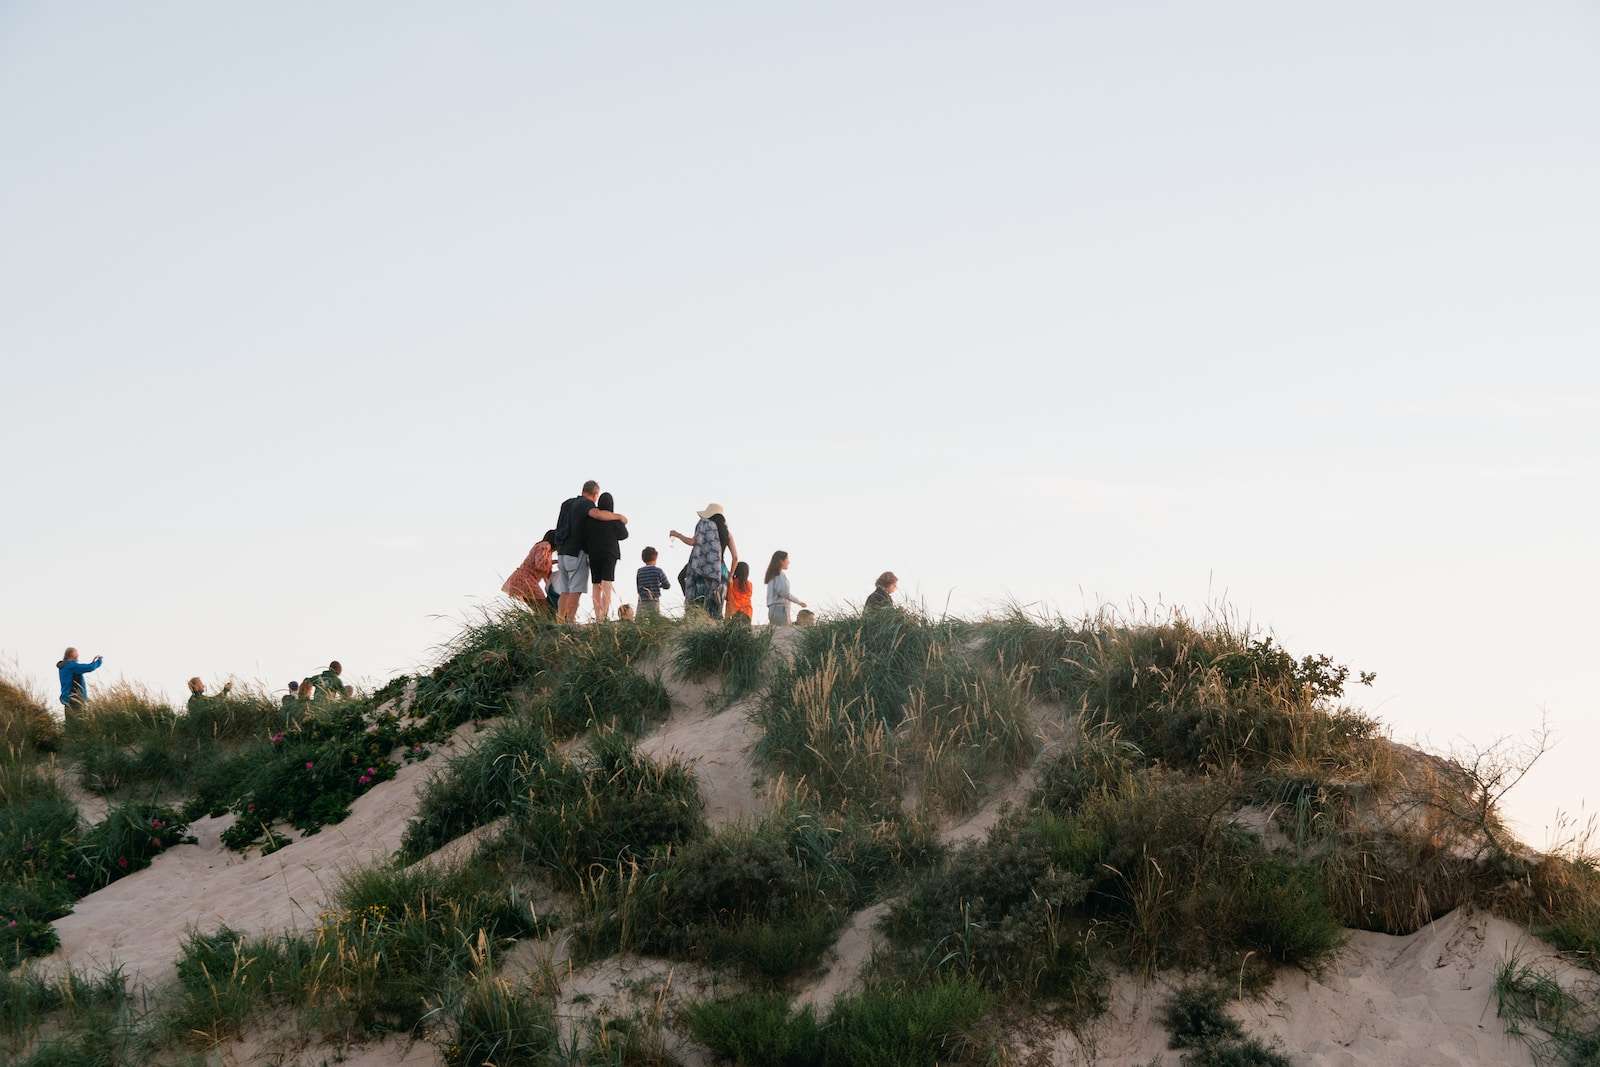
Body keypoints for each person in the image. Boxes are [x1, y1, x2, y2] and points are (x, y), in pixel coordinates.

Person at [552, 481, 628, 623]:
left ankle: (560, 619)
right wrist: (619, 517)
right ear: (595, 494)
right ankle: (571, 621)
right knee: (576, 589)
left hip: (562, 552)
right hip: (576, 553)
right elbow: (598, 515)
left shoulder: (567, 503)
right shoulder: (586, 505)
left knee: (565, 590)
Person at [671, 503, 732, 619]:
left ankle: (693, 612)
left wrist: (677, 535)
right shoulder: (726, 533)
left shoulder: (705, 526)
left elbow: (693, 542)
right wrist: (730, 576)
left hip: (703, 568)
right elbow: (735, 557)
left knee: (700, 602)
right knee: (716, 605)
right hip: (722, 570)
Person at [583, 492, 629, 621]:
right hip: (610, 553)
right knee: (606, 584)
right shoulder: (614, 519)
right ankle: (604, 615)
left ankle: (598, 616)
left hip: (594, 553)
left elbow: (585, 536)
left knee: (596, 584)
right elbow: (624, 535)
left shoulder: (590, 519)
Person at [503, 529, 558, 611]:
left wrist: (554, 562)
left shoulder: (544, 548)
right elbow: (540, 565)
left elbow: (541, 565)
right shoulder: (545, 546)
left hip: (522, 579)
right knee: (543, 609)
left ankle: (539, 622)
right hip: (525, 580)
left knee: (539, 609)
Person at [763, 550, 807, 627]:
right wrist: (799, 602)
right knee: (783, 634)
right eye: (787, 559)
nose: (789, 562)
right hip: (780, 609)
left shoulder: (772, 574)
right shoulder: (779, 574)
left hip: (772, 609)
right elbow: (784, 593)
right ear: (781, 561)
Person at [57, 648, 103, 716]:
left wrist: (92, 663)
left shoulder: (64, 667)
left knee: (71, 724)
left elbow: (83, 668)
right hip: (75, 700)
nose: (78, 655)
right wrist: (99, 661)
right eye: (76, 652)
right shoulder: (71, 666)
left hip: (67, 700)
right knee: (80, 723)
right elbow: (90, 667)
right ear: (71, 654)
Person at [636, 547, 671, 618]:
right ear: (656, 558)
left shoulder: (639, 571)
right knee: (654, 620)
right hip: (654, 600)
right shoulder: (658, 570)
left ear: (643, 559)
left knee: (640, 620)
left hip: (642, 600)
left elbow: (638, 585)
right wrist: (660, 586)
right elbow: (667, 585)